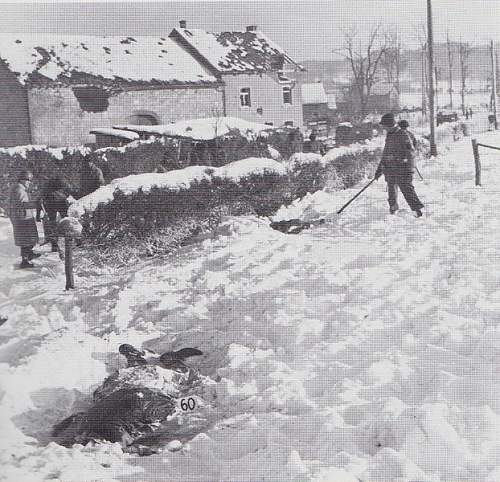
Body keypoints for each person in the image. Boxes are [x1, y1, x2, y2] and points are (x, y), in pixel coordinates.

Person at [374, 113, 424, 217]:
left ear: (389, 125)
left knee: (407, 189)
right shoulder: (389, 135)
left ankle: (417, 210)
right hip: (390, 169)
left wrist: (406, 166)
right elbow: (385, 153)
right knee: (391, 188)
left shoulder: (403, 134)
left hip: (403, 169)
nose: (383, 128)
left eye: (384, 126)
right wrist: (379, 169)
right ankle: (393, 208)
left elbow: (411, 153)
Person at [9, 169, 42, 268]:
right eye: (28, 180)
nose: (29, 183)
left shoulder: (20, 189)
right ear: (23, 180)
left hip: (23, 217)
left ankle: (29, 254)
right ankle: (25, 261)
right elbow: (22, 205)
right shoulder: (19, 190)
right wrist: (36, 204)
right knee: (25, 240)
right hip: (22, 218)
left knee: (28, 239)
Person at [42, 176, 72, 253]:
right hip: (60, 202)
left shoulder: (47, 185)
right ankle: (71, 241)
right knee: (66, 221)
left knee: (53, 223)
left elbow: (43, 196)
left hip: (52, 203)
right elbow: (70, 192)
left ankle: (54, 245)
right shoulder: (63, 182)